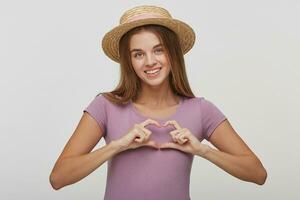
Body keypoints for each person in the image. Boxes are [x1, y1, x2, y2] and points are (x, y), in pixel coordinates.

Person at [49, 5, 267, 200]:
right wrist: (118, 145)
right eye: (138, 54)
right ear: (129, 62)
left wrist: (202, 150)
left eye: (159, 50)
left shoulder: (200, 110)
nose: (150, 61)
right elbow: (58, 178)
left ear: (173, 53)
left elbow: (257, 173)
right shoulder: (106, 106)